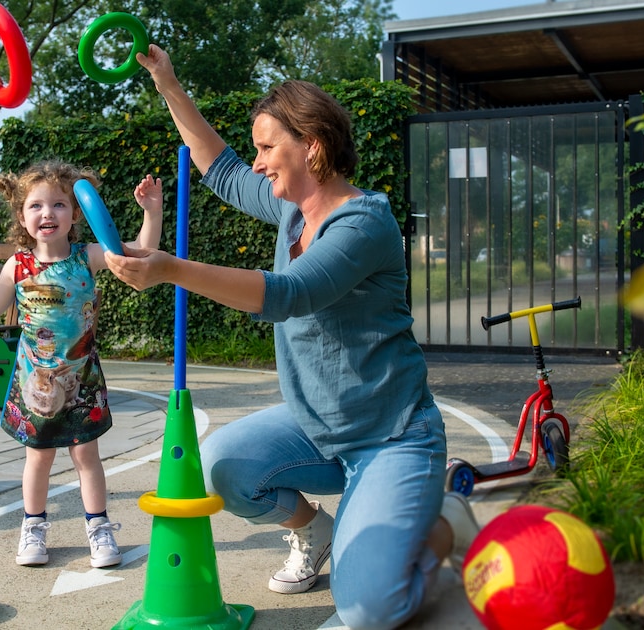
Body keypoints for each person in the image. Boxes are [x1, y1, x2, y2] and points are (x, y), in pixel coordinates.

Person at [104, 44, 482, 629]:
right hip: (315, 428)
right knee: (224, 467)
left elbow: (289, 294)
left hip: (391, 438)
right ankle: (317, 530)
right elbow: (220, 169)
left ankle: (442, 527)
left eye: (266, 147)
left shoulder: (363, 221)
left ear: (312, 144)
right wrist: (167, 82)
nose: (256, 163)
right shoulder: (290, 209)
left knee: (367, 611)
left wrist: (170, 267)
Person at [0, 160, 163, 569]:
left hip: (82, 380)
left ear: (75, 213)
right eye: (36, 206)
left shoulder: (88, 256)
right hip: (35, 384)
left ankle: (99, 527)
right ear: (21, 216)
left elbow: (140, 255)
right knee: (39, 457)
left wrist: (151, 211)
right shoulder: (19, 265)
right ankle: (33, 527)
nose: (47, 213)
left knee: (87, 455)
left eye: (59, 205)